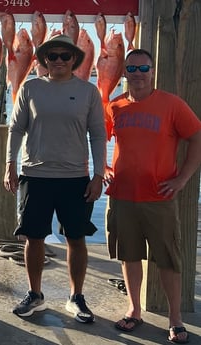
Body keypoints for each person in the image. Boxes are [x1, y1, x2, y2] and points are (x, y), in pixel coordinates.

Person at [4, 34, 106, 324]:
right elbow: (16, 129)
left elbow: (98, 134)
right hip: (35, 175)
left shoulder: (88, 91)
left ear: (75, 59)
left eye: (65, 56)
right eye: (53, 56)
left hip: (75, 177)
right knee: (33, 237)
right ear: (44, 60)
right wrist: (9, 164)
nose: (59, 61)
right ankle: (35, 294)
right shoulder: (31, 88)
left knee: (76, 237)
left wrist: (98, 174)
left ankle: (76, 297)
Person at [105, 49, 201, 344]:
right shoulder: (115, 106)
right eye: (131, 69)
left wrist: (182, 178)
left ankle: (176, 318)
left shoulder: (172, 105)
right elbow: (99, 139)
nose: (137, 74)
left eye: (143, 68)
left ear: (152, 71)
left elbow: (196, 137)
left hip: (159, 198)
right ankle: (134, 310)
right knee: (129, 255)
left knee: (168, 259)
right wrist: (105, 168)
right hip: (122, 196)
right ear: (124, 73)